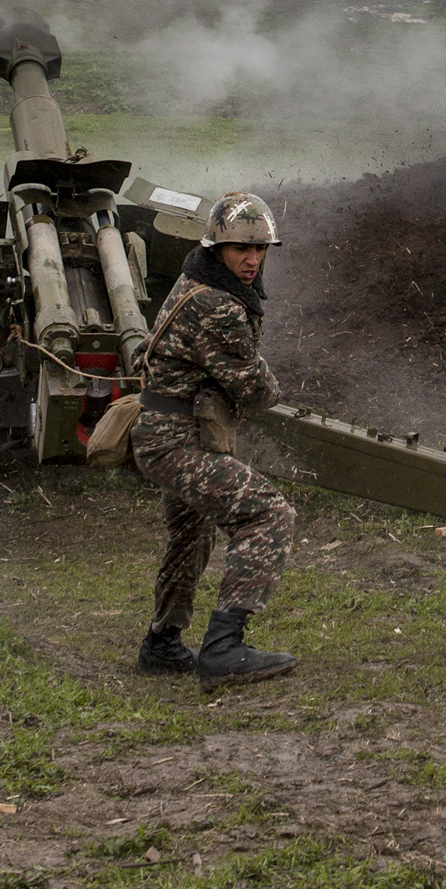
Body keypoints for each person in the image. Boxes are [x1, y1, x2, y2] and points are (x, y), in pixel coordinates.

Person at [128, 190, 300, 692]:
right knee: (270, 514)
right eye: (240, 250)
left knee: (191, 534)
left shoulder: (193, 281)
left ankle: (162, 643)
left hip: (172, 434)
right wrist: (269, 383)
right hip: (179, 442)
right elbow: (255, 387)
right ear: (215, 249)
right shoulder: (218, 307)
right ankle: (224, 647)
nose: (252, 260)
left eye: (261, 249)